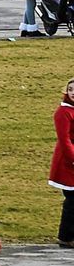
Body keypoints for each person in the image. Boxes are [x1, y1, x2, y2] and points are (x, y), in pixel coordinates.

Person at [53, 77, 74, 248]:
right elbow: (64, 139)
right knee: (72, 200)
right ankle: (65, 237)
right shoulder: (63, 112)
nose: (73, 93)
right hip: (68, 162)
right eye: (71, 89)